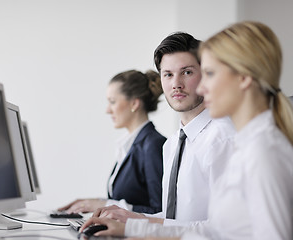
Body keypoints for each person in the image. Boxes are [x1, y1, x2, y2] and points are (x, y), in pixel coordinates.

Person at [81, 21, 293, 240]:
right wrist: (133, 222)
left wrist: (136, 227)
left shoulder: (247, 145)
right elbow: (211, 230)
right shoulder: (178, 144)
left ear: (244, 78)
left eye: (207, 73)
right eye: (168, 75)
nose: (199, 86)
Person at [87, 32, 235, 226]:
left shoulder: (223, 137)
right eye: (168, 74)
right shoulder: (172, 145)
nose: (176, 84)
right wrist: (130, 219)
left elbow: (226, 228)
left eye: (187, 72)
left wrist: (135, 223)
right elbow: (173, 218)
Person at [58, 69, 166, 214]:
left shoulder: (152, 145)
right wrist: (93, 203)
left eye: (112, 102)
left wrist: (105, 204)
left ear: (134, 104)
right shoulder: (130, 145)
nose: (108, 110)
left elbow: (160, 212)